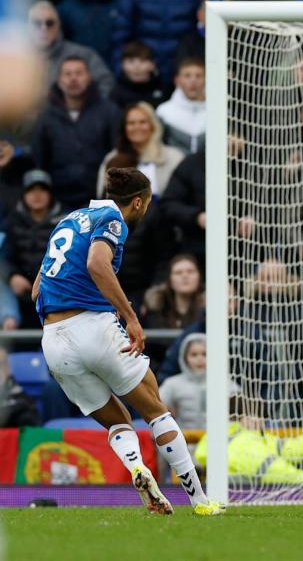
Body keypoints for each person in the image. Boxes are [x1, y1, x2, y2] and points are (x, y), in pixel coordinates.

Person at [33, 167, 222, 516]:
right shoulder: (113, 219)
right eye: (147, 203)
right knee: (155, 410)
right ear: (138, 202)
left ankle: (137, 468)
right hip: (92, 325)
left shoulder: (69, 220)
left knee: (118, 420)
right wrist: (130, 316)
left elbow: (36, 289)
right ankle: (200, 502)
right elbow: (97, 263)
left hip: (53, 340)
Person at [31, 56, 120, 210]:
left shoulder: (109, 112)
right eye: (68, 74)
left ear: (89, 77)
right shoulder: (45, 116)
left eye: (79, 73)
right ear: (59, 80)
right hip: (57, 201)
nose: (73, 78)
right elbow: (39, 159)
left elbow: (117, 155)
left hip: (100, 199)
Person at [6, 170, 65, 330]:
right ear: (23, 194)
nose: (37, 195)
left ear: (50, 194)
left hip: (58, 296)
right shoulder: (13, 221)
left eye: (42, 189)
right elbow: (5, 256)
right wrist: (13, 276)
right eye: (31, 190)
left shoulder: (66, 221)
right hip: (22, 297)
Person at [97, 102, 185, 197]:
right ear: (124, 128)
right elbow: (102, 197)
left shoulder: (174, 157)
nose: (137, 127)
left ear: (153, 125)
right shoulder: (113, 158)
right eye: (131, 123)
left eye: (142, 122)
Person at [155, 57, 206, 155]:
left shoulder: (221, 112)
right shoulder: (163, 111)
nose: (193, 81)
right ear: (177, 80)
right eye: (187, 76)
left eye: (198, 76)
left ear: (206, 79)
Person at [158, 333, 206, 430]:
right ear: (184, 358)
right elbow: (155, 407)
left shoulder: (224, 383)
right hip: (185, 442)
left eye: (204, 354)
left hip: (217, 443)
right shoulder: (172, 384)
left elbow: (239, 410)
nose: (200, 359)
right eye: (194, 355)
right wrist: (167, 412)